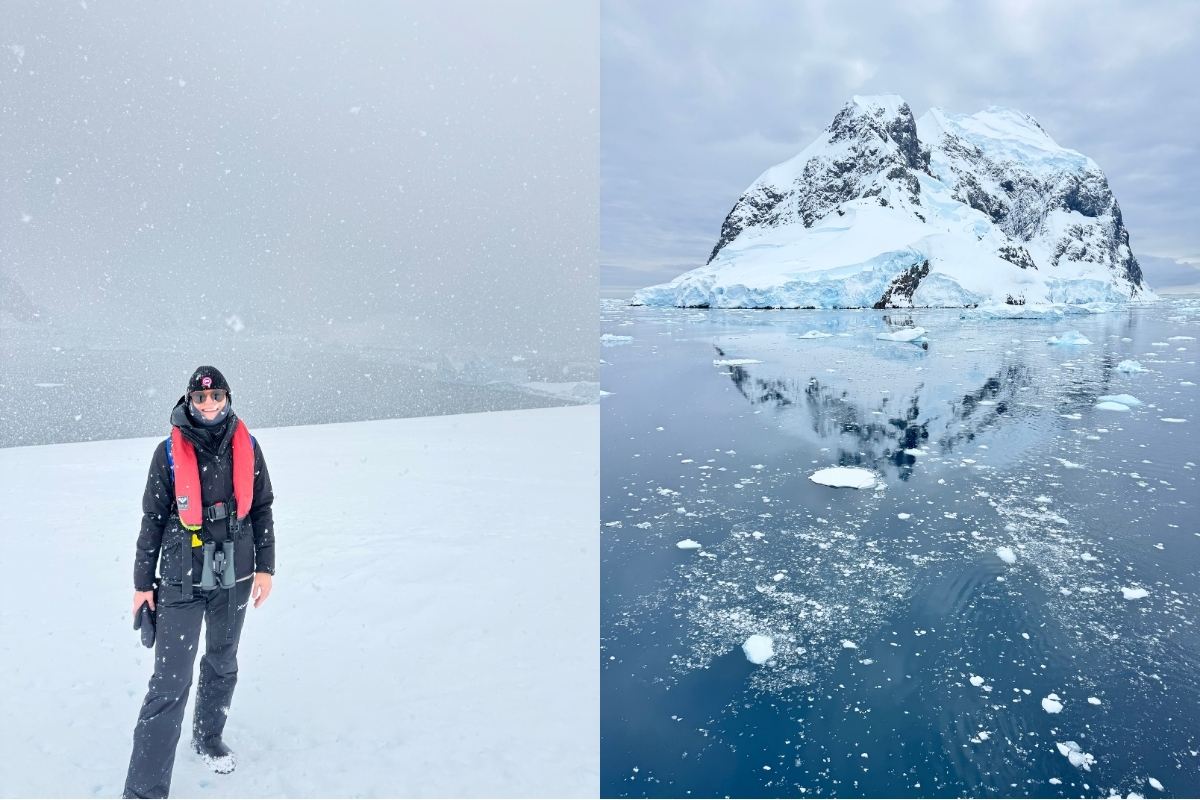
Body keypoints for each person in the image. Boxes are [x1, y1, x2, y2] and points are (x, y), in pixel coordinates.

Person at [123, 366, 276, 799]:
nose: (209, 405)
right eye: (201, 398)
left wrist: (266, 567)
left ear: (227, 398)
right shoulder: (166, 453)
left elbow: (261, 507)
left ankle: (208, 736)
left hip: (235, 572)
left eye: (217, 397)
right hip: (182, 577)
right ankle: (144, 792)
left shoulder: (248, 445)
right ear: (189, 401)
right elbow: (152, 519)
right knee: (170, 682)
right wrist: (142, 583)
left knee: (222, 661)